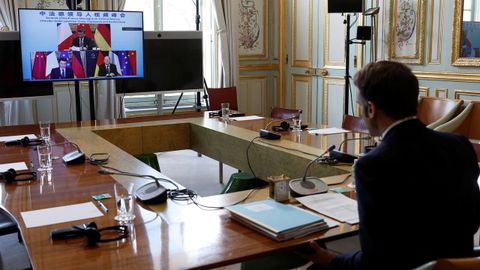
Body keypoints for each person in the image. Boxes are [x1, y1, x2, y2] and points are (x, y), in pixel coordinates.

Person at [304, 61, 480, 270]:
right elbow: (472, 222)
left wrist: (328, 258)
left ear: (371, 109)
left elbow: (375, 262)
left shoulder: (373, 166)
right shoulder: (459, 145)